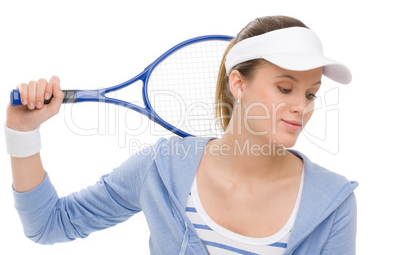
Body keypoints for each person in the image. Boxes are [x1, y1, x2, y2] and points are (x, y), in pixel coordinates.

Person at [5, 16, 358, 255]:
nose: (301, 106)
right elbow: (48, 224)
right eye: (284, 88)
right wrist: (22, 132)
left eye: (311, 93)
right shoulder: (161, 169)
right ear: (238, 83)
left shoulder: (333, 203)